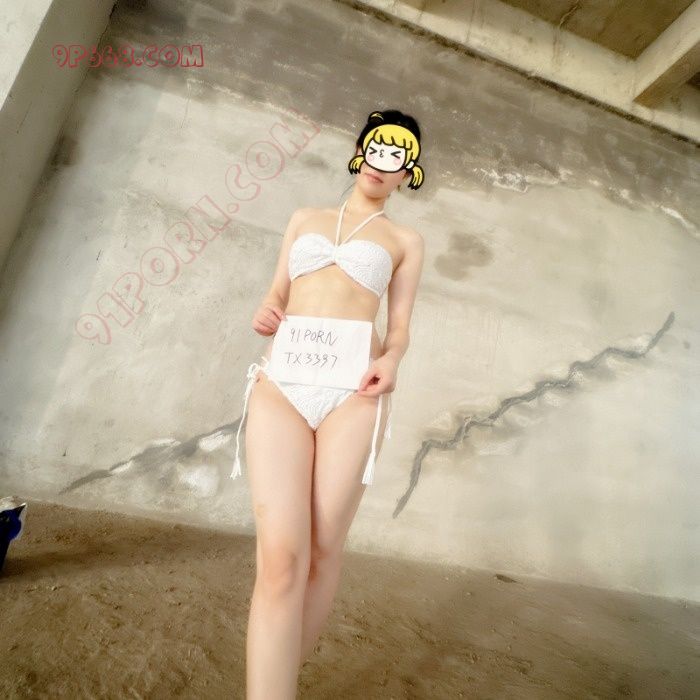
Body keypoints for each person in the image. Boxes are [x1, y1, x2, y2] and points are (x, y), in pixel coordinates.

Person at [234, 109, 425, 699]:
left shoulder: (405, 241)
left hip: (353, 392)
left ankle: (277, 683)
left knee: (320, 549)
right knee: (281, 558)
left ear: (408, 173)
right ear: (361, 151)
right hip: (282, 384)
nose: (382, 163)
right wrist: (266, 310)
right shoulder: (304, 219)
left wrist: (391, 360)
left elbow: (399, 327)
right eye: (377, 148)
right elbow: (276, 293)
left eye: (398, 157)